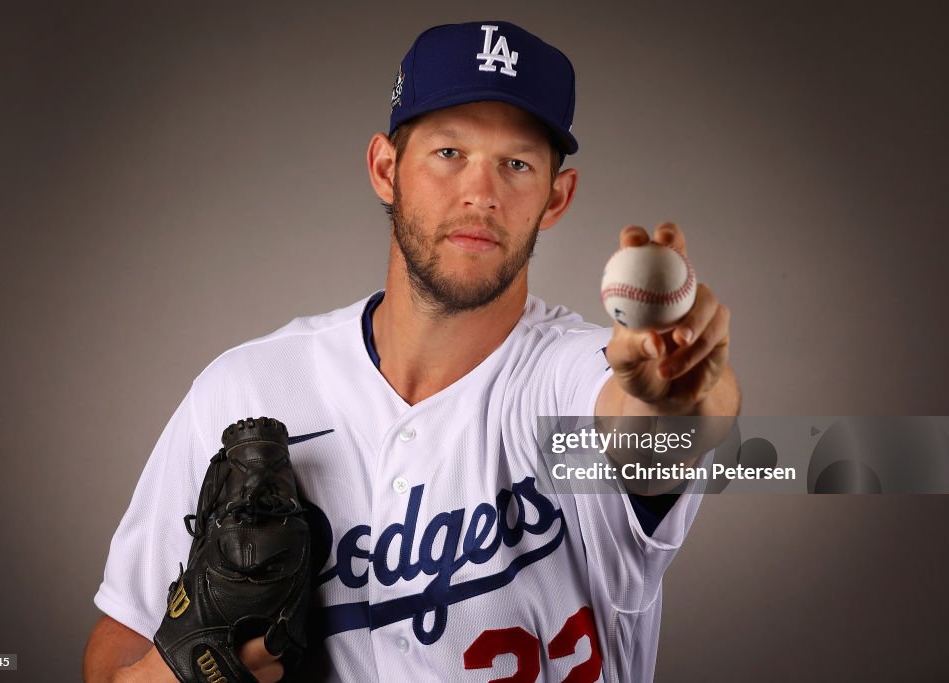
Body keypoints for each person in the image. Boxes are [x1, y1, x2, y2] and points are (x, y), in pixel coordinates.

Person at [84, 20, 739, 683]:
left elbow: (646, 425)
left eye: (516, 164)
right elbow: (117, 646)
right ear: (385, 168)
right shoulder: (246, 389)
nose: (480, 191)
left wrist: (678, 398)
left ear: (555, 198)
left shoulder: (570, 376)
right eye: (450, 152)